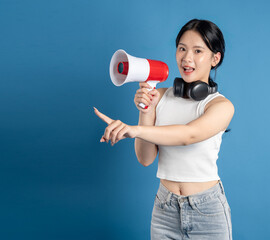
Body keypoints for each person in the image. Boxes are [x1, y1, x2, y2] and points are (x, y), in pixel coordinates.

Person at [94, 19, 234, 240]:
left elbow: (188, 135)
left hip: (206, 210)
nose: (187, 58)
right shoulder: (160, 97)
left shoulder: (221, 106)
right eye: (182, 48)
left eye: (198, 51)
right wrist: (146, 110)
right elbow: (145, 158)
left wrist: (134, 130)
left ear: (215, 58)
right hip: (164, 207)